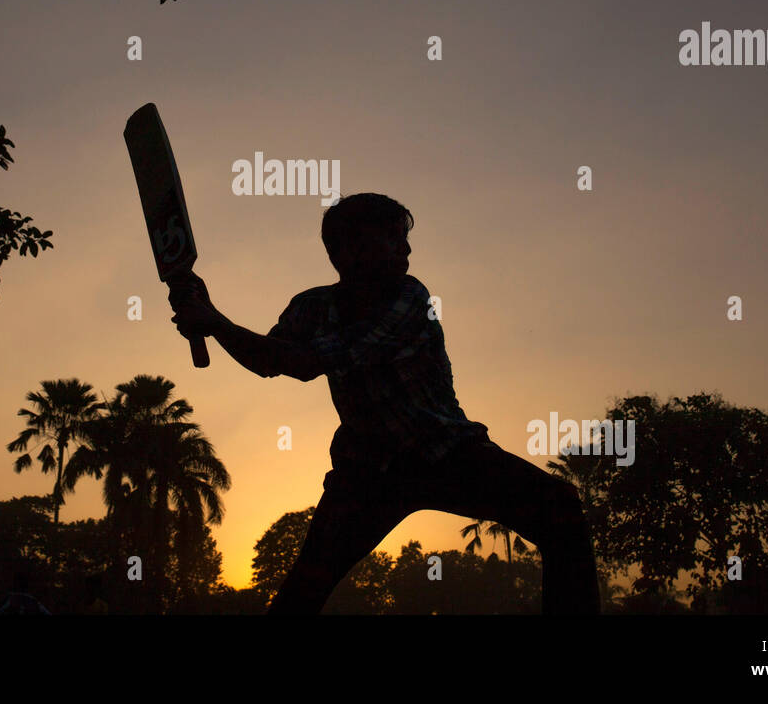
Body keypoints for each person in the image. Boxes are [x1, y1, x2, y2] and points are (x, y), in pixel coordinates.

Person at [169, 192, 600, 614]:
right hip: (368, 471)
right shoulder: (312, 306)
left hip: (445, 454)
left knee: (559, 510)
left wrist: (214, 321)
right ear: (350, 250)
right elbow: (266, 360)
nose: (407, 248)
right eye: (394, 238)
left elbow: (302, 363)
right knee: (303, 592)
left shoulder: (410, 299)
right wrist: (209, 313)